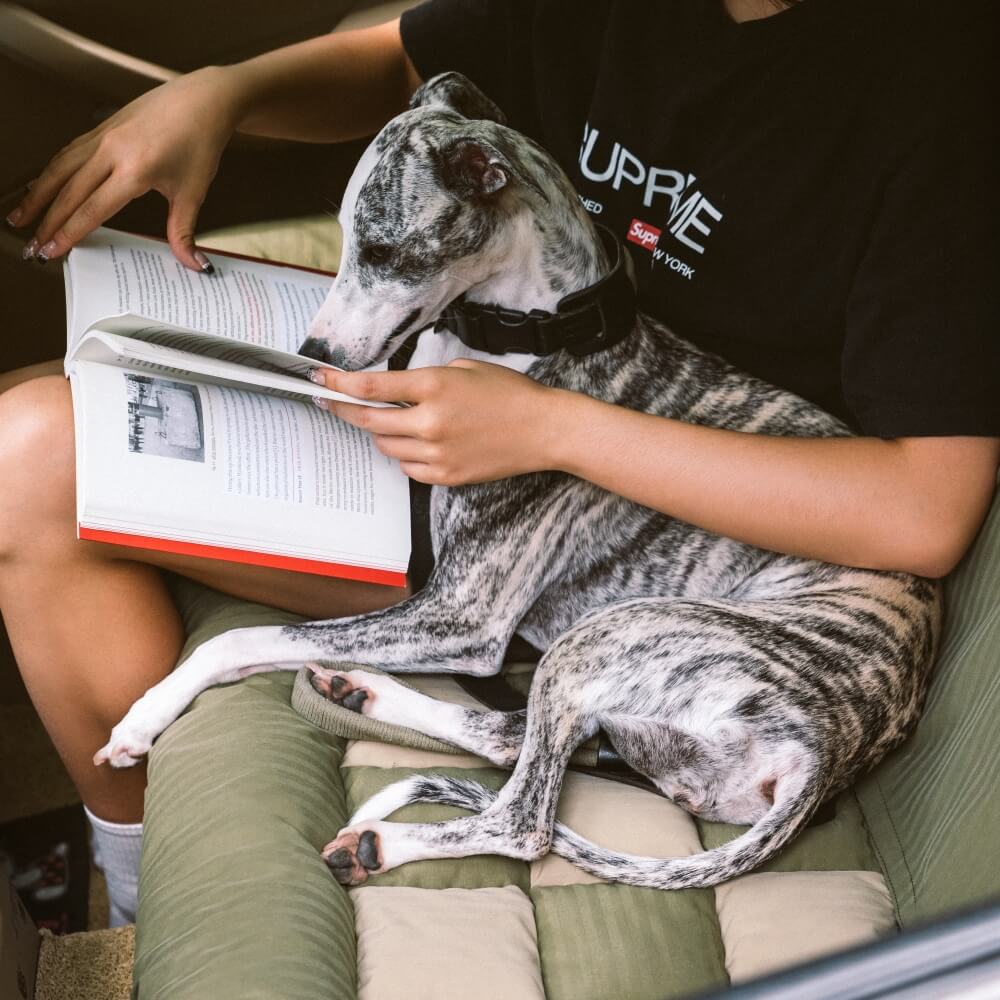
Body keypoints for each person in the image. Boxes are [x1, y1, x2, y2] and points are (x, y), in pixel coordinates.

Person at [1, 0, 996, 928]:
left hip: (623, 527)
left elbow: (924, 507)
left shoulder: (940, 91)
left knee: (34, 460)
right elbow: (414, 60)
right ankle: (125, 870)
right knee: (65, 389)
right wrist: (228, 90)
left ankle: (132, 907)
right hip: (475, 382)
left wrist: (551, 429)